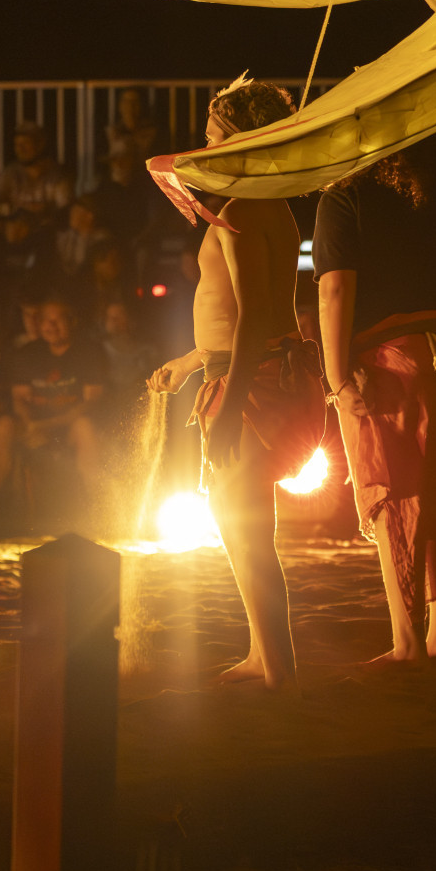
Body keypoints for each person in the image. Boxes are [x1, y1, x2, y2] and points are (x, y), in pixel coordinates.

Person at [148, 78, 324, 686]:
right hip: (260, 371)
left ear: (238, 142)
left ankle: (276, 667)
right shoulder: (272, 208)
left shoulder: (241, 213)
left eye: (212, 136)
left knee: (247, 531)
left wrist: (225, 410)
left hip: (254, 385)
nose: (203, 146)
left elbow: (253, 317)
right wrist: (190, 363)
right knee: (246, 528)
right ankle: (264, 654)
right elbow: (248, 317)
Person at [314, 133, 436, 664]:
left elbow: (334, 290)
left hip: (389, 358)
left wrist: (337, 377)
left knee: (393, 493)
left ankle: (406, 639)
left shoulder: (344, 194)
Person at [0, 299, 106, 527]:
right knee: (4, 425)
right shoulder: (27, 354)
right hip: (33, 424)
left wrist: (46, 427)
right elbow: (19, 399)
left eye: (57, 320)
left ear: (71, 322)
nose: (51, 326)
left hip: (68, 426)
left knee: (84, 427)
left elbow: (91, 402)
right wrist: (30, 425)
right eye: (45, 321)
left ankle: (97, 506)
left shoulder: (89, 352)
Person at [0, 121, 72, 233]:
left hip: (46, 235)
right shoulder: (9, 175)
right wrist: (16, 210)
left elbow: (65, 210)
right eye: (17, 145)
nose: (20, 149)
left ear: (40, 145)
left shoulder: (55, 176)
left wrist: (45, 210)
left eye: (26, 143)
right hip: (15, 236)